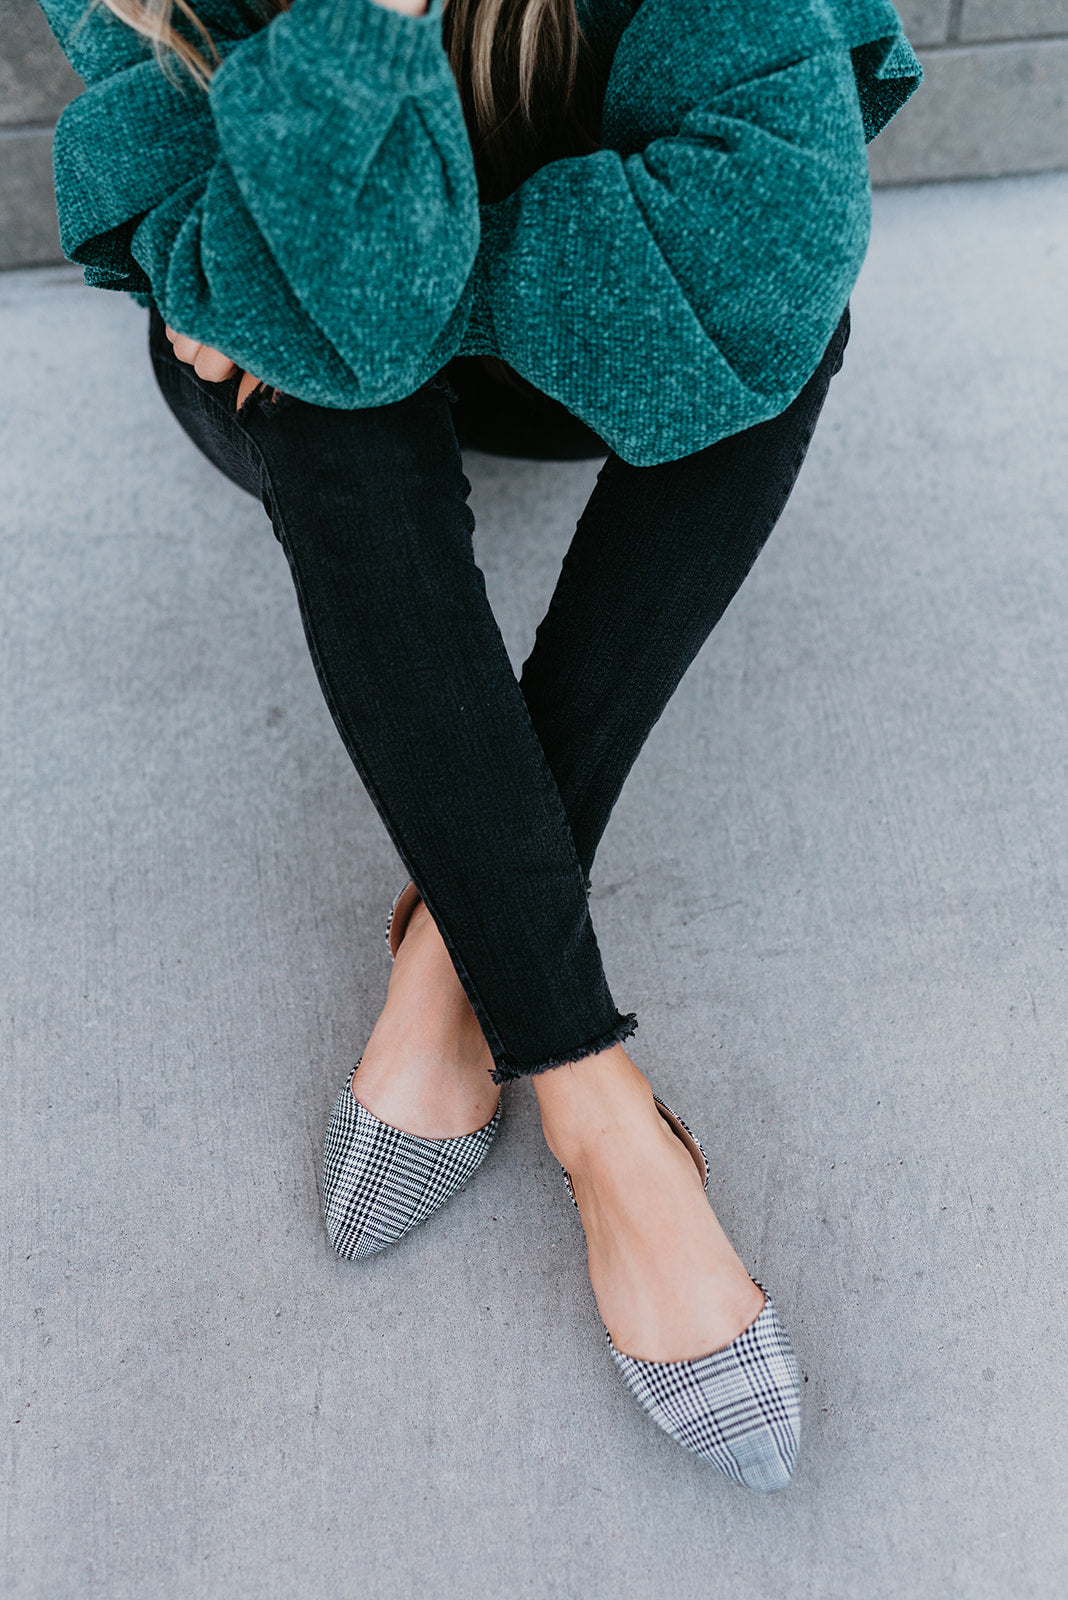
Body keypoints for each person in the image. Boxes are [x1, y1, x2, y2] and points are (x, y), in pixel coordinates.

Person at [37, 0, 922, 1490]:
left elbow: (769, 239)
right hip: (360, 357)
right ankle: (600, 1113)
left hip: (504, 329)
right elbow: (327, 321)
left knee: (778, 328)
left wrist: (361, 270)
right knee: (331, 394)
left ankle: (457, 949)